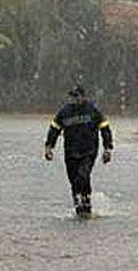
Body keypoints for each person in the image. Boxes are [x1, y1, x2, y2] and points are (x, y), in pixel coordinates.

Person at [45, 84, 114, 217]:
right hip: (70, 152)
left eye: (76, 96)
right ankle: (78, 206)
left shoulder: (92, 110)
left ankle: (87, 202)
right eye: (72, 96)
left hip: (88, 151)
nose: (74, 99)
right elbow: (54, 129)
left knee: (83, 175)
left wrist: (108, 148)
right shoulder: (64, 111)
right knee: (73, 180)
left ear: (83, 96)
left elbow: (105, 128)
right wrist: (49, 147)